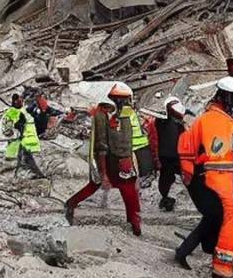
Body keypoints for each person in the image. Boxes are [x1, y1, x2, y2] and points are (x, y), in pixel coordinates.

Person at [175, 76, 233, 278]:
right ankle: (222, 268)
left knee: (214, 216)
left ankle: (186, 250)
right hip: (223, 180)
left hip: (204, 179)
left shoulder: (202, 120)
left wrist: (188, 175)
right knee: (228, 218)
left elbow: (185, 147)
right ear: (228, 99)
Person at [65, 83, 143, 235]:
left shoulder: (125, 115)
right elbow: (101, 144)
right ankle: (70, 204)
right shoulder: (101, 115)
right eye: (124, 100)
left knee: (129, 190)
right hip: (110, 160)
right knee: (102, 185)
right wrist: (103, 172)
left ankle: (134, 221)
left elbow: (128, 140)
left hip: (124, 160)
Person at [154, 96, 187, 211]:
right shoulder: (163, 120)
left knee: (168, 178)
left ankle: (167, 198)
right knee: (167, 178)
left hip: (174, 154)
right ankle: (166, 199)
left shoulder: (176, 123)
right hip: (168, 155)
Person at [3, 93, 44, 178]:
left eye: (21, 100)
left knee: (29, 159)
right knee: (18, 159)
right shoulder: (11, 112)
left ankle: (33, 174)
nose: (21, 102)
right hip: (19, 140)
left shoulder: (24, 109)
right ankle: (17, 176)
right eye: (19, 100)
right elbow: (7, 127)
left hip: (29, 139)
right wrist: (15, 132)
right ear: (14, 101)